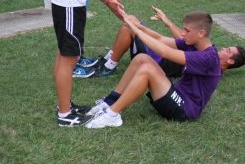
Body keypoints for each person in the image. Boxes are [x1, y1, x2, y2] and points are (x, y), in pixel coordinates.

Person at [85, 11, 245, 128]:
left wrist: (137, 30)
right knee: (142, 59)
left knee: (147, 68)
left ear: (201, 33)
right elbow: (161, 39)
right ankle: (109, 102)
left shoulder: (210, 58)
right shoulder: (194, 44)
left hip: (186, 109)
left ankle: (112, 114)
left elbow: (164, 51)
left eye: (187, 31)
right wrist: (135, 25)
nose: (182, 33)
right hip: (176, 94)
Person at [93, 6, 245, 78]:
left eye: (228, 51)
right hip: (155, 55)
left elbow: (167, 49)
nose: (224, 48)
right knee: (132, 20)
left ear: (230, 61)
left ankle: (108, 66)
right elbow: (175, 38)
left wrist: (137, 29)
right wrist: (163, 23)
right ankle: (107, 59)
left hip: (154, 62)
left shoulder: (209, 63)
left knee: (129, 27)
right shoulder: (204, 50)